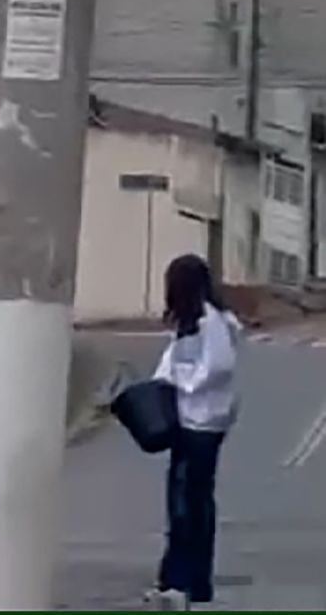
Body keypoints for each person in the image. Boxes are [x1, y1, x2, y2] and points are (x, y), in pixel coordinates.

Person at [148, 253, 240, 611]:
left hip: (202, 423)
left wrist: (182, 385)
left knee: (188, 501)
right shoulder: (193, 321)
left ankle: (182, 579)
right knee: (189, 500)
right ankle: (186, 580)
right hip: (192, 421)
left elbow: (218, 367)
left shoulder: (211, 321)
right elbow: (173, 361)